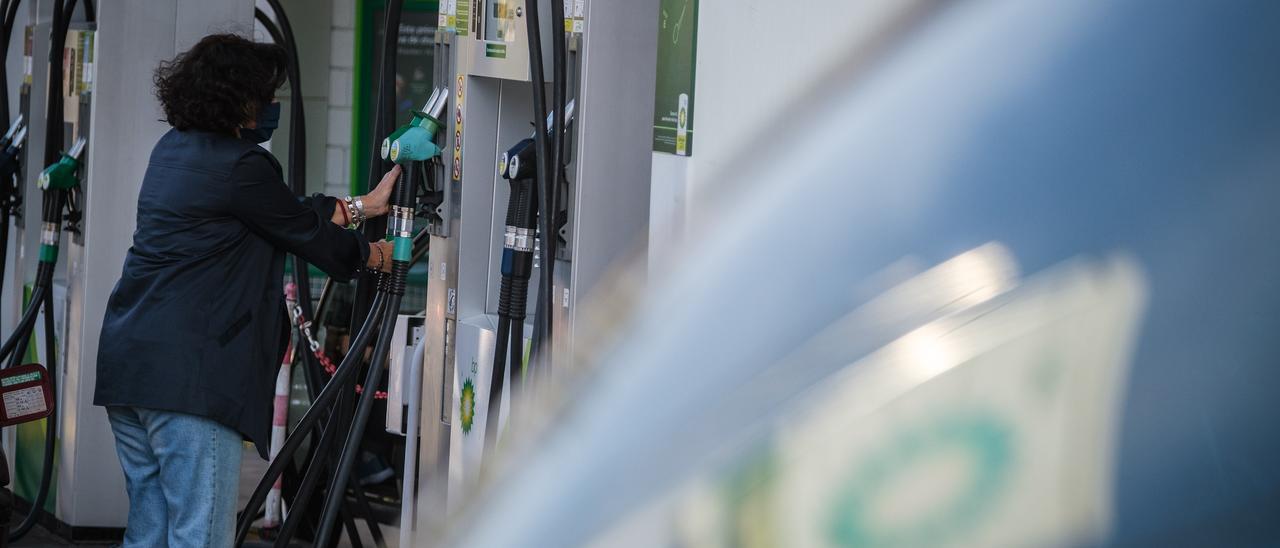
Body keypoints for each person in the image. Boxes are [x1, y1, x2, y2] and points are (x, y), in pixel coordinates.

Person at [92, 34, 397, 547]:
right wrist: (377, 256)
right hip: (190, 383)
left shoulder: (173, 150)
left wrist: (361, 206)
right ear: (240, 99)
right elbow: (300, 229)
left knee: (150, 531)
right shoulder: (241, 166)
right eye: (268, 95)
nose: (274, 106)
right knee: (200, 536)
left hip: (131, 368)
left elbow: (282, 212)